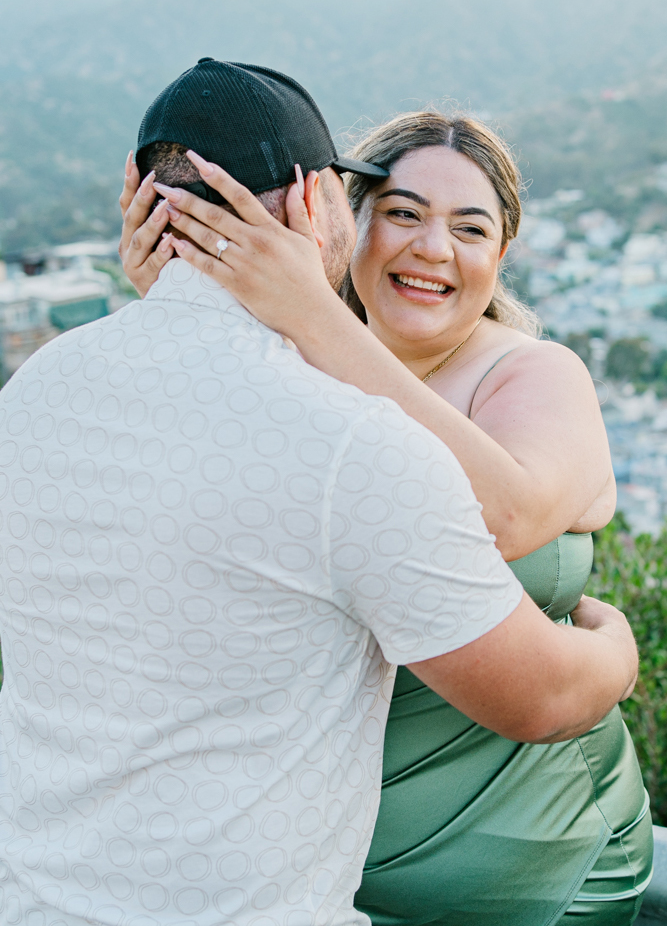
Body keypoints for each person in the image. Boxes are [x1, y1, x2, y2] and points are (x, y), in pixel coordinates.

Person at [120, 96, 652, 925]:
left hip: (531, 862)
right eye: (401, 214)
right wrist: (186, 306)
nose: (431, 248)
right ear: (342, 224)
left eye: (469, 229)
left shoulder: (534, 374)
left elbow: (505, 515)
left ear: (500, 254)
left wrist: (310, 314)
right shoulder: (284, 365)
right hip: (314, 870)